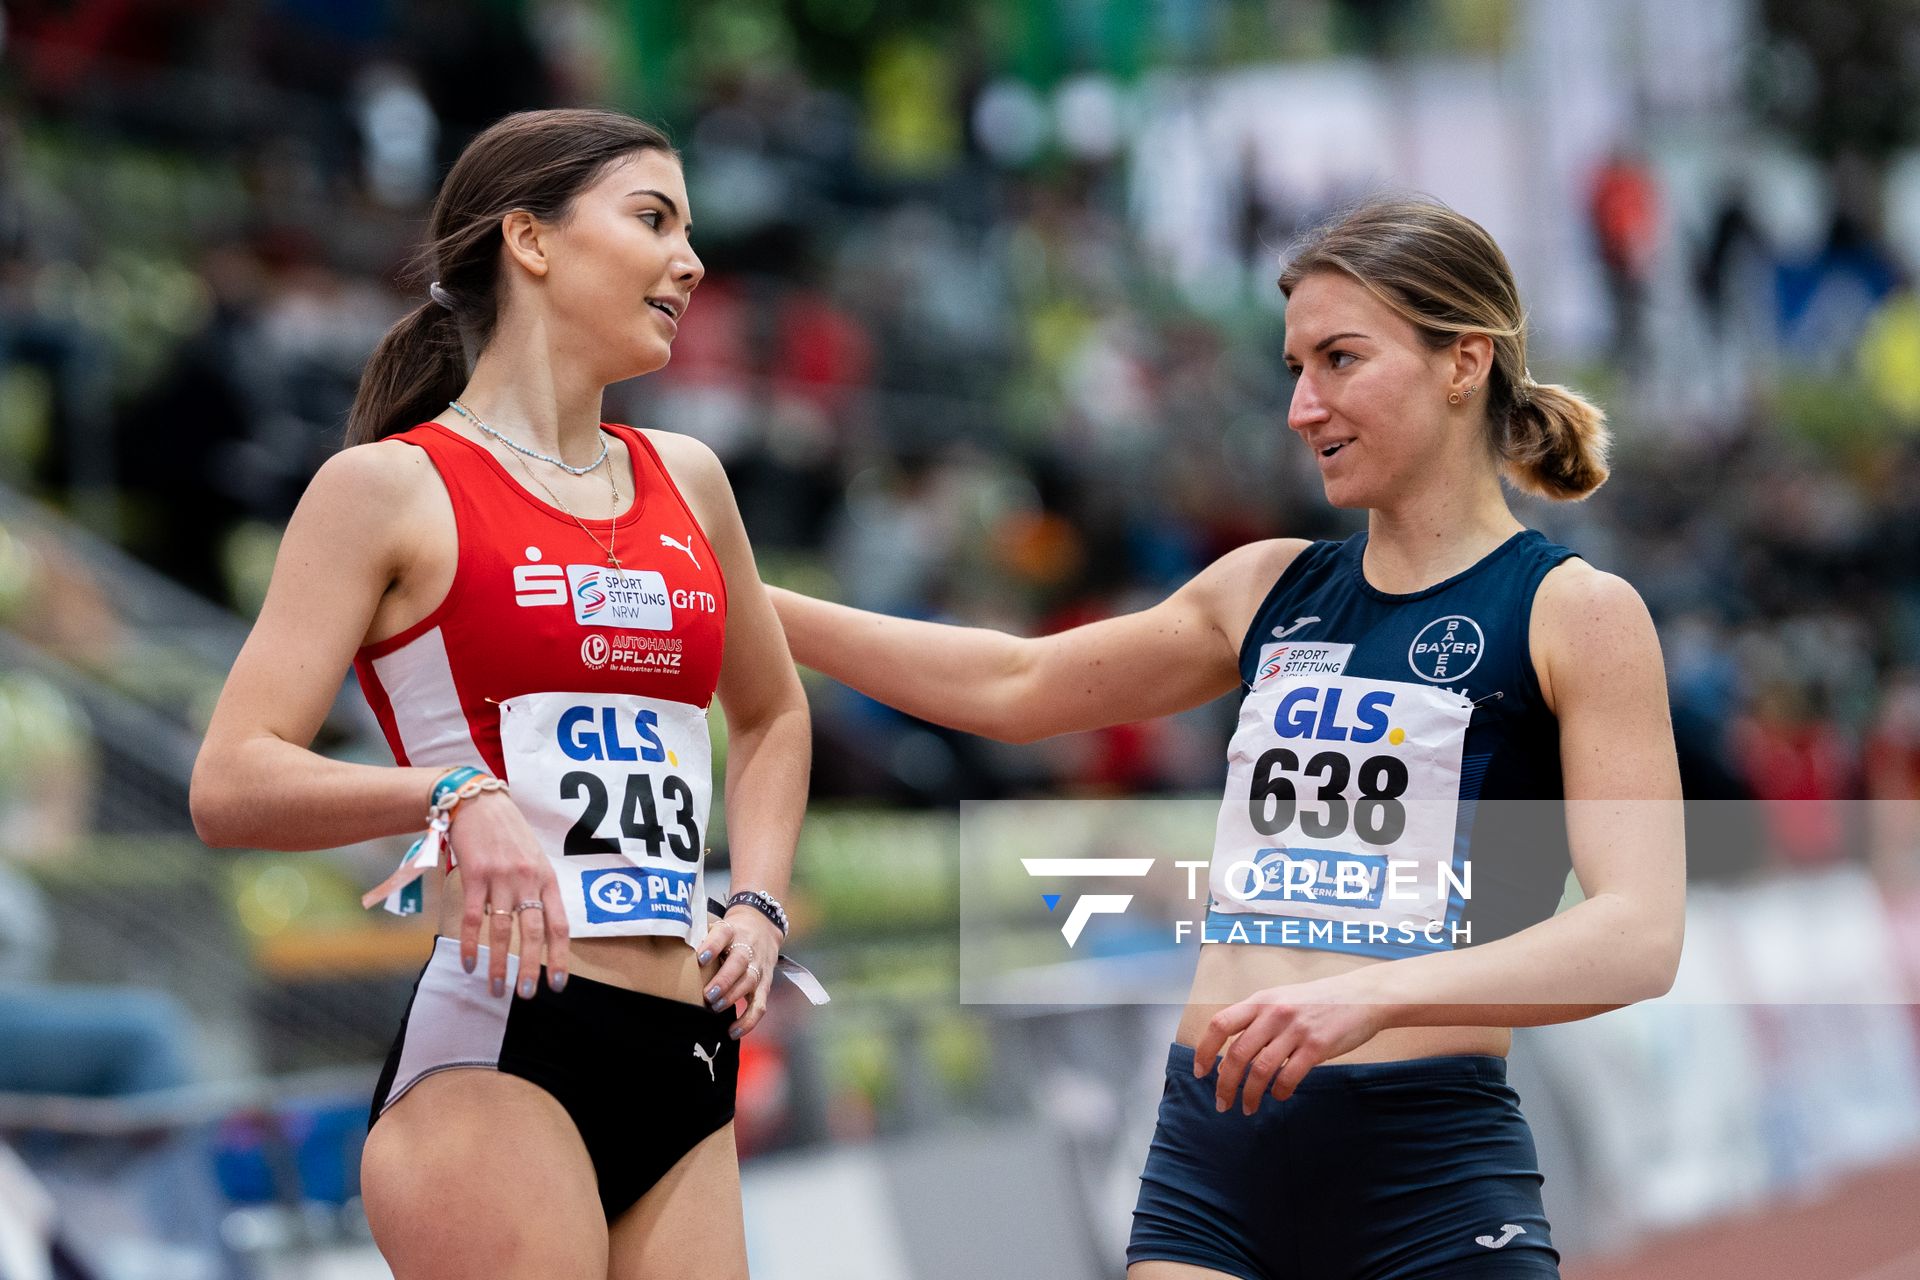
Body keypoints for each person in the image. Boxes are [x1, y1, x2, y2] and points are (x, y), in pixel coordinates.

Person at [770, 197, 1684, 1279]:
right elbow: (1011, 682)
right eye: (1295, 367)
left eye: (1340, 359)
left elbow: (1639, 932)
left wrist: (1377, 989)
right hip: (1214, 1163)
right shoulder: (1267, 587)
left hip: (1426, 1170)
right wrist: (736, 594)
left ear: (1463, 362)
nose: (1303, 405)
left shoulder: (1573, 612)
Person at [190, 109, 812, 1280]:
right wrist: (451, 791)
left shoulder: (690, 477)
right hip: (506, 1046)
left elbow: (774, 713)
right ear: (529, 238)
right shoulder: (386, 488)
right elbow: (229, 778)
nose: (692, 259)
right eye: (654, 218)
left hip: (686, 1047)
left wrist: (762, 902)